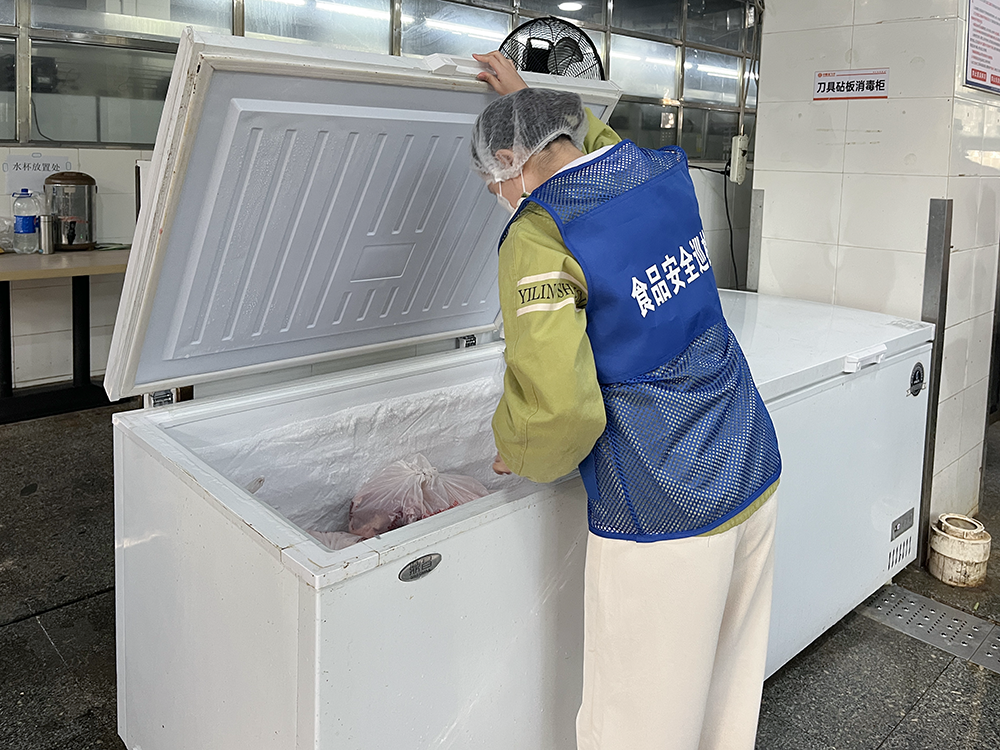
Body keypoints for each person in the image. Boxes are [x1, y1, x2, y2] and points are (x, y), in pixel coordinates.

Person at [470, 51, 783, 750]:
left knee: (636, 724)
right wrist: (527, 99)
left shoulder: (540, 234)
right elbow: (591, 141)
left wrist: (515, 449)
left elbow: (560, 410)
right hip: (748, 461)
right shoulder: (654, 173)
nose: (498, 195)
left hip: (663, 503)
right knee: (726, 704)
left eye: (493, 181)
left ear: (507, 159)